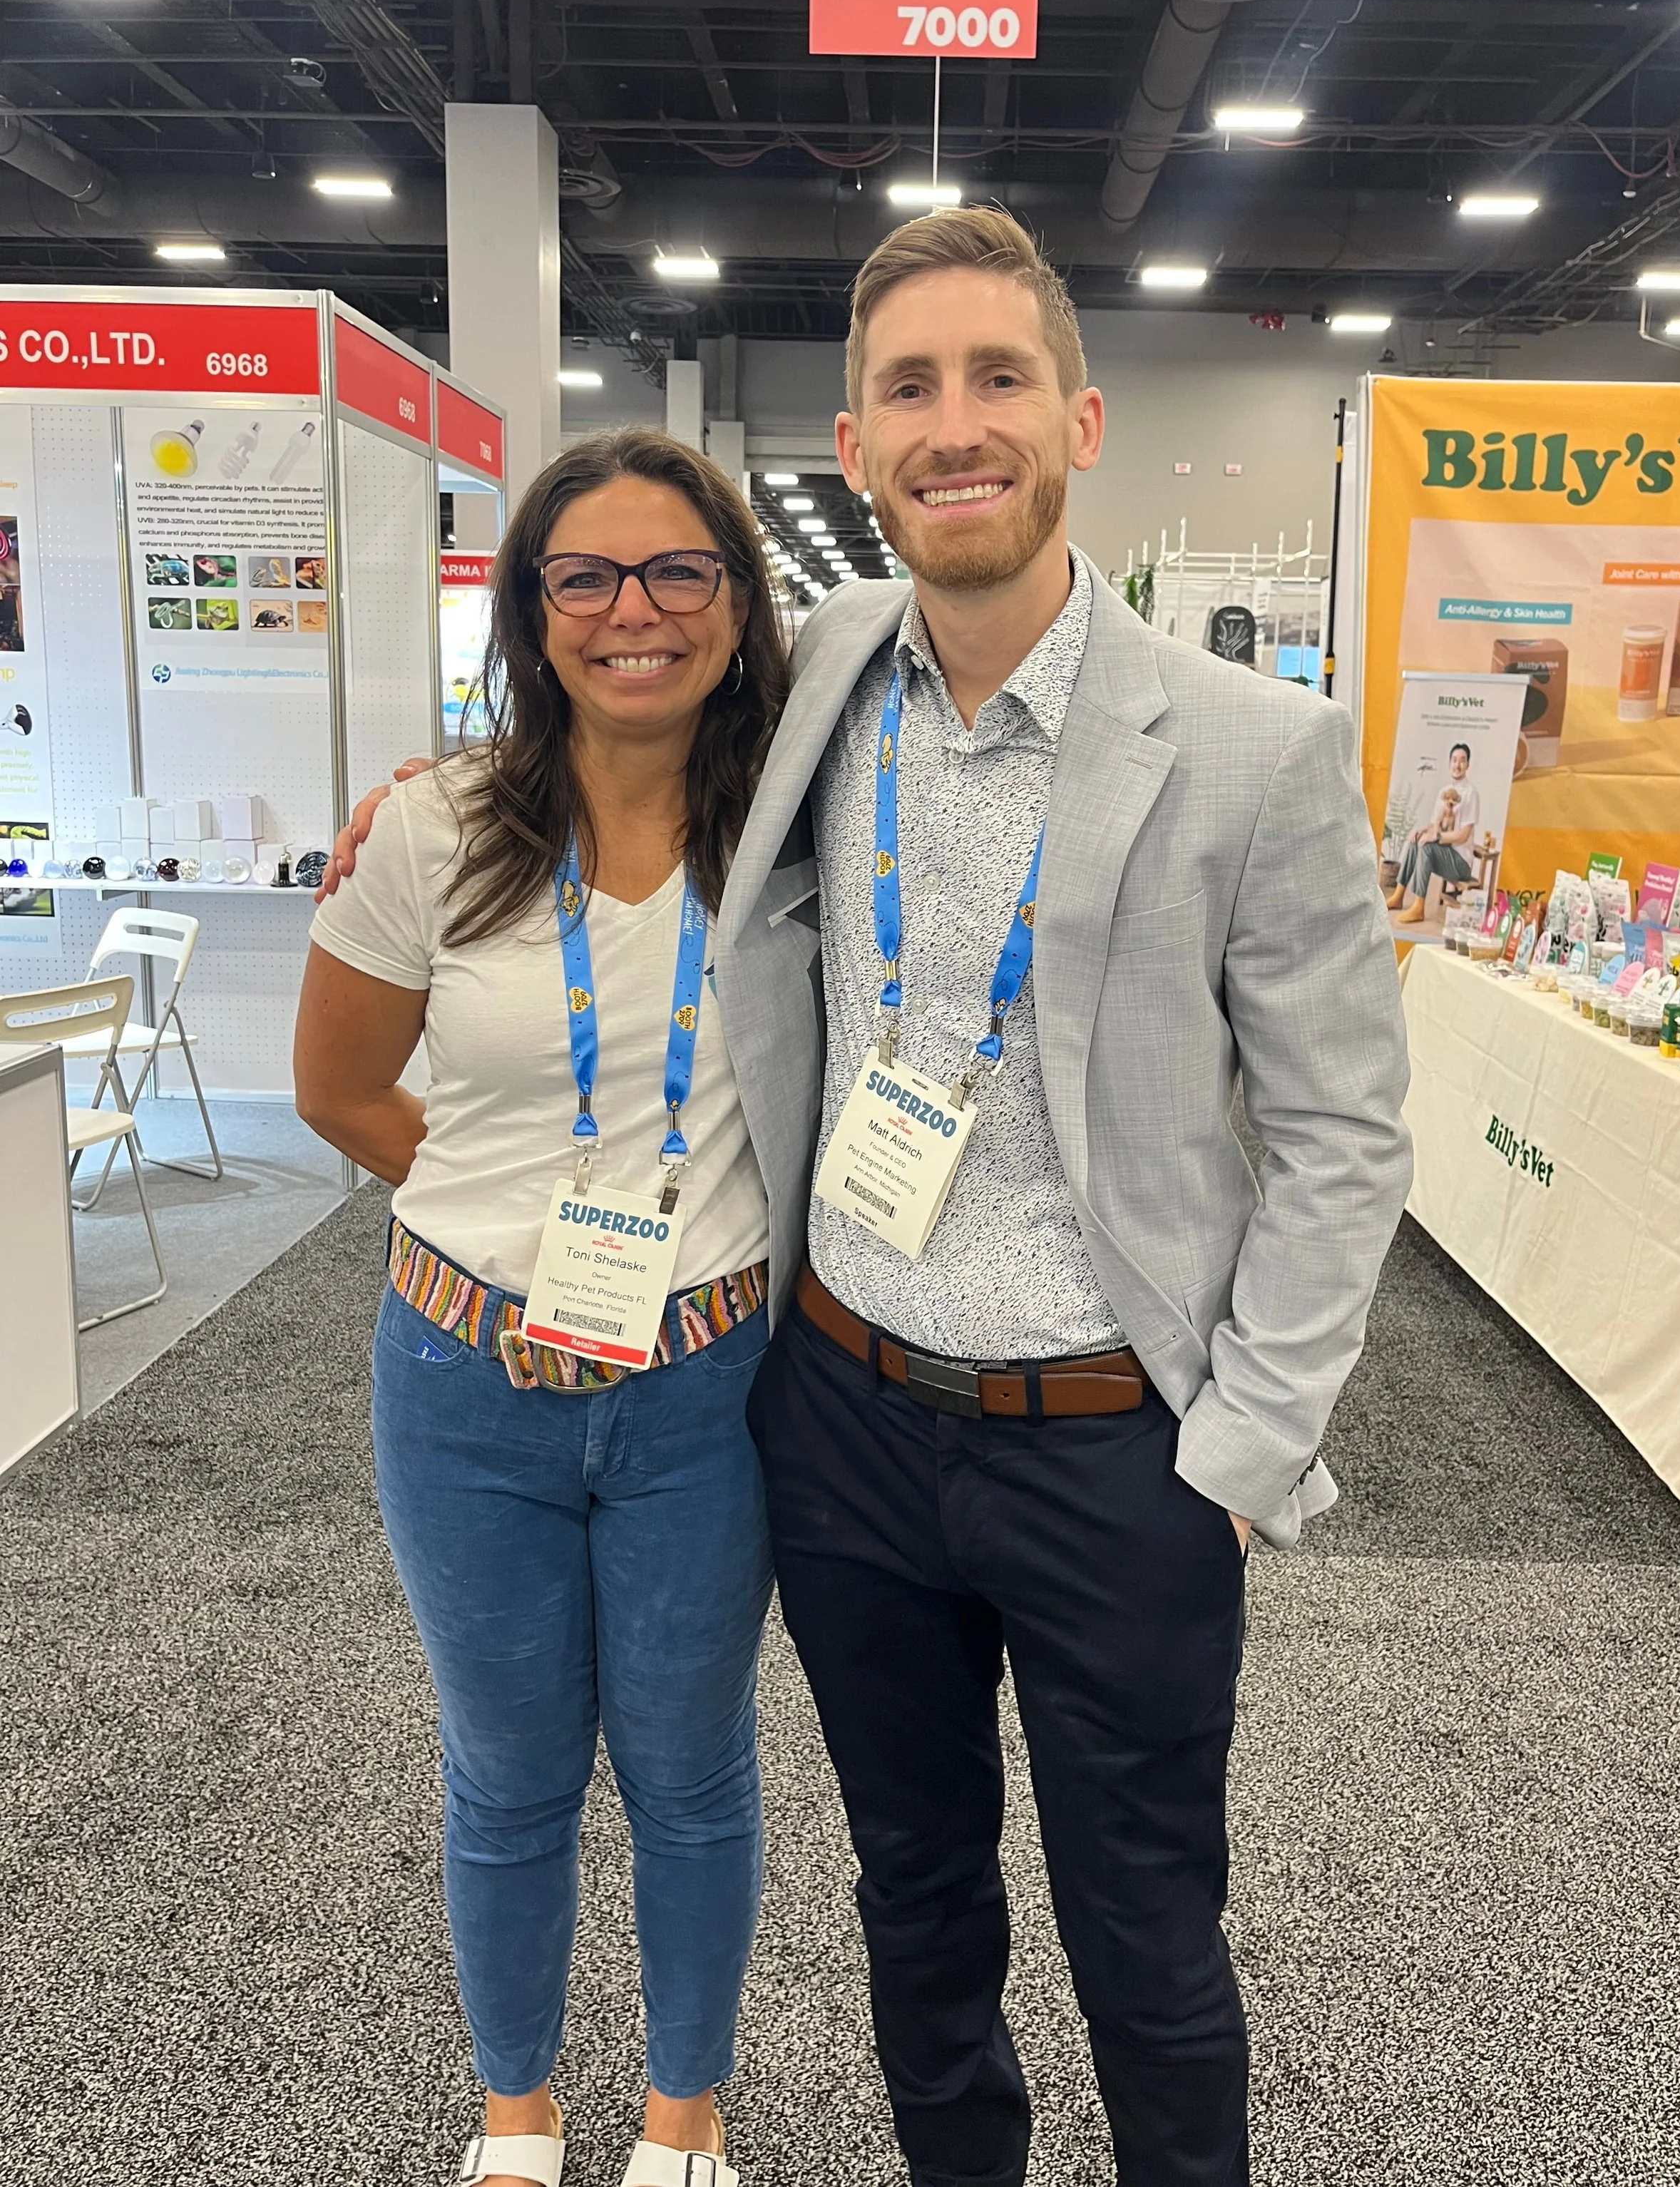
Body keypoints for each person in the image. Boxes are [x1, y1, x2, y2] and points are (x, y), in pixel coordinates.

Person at [332, 205, 1413, 2186]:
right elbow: (614, 697)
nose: (955, 422)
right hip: (834, 1421)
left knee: (1144, 1938)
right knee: (915, 1902)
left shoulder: (1255, 750)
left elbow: (1347, 1134)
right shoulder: (813, 680)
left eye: (996, 375)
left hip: (1117, 1442)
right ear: (856, 443)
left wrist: (1247, 1446)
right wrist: (441, 794)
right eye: (908, 386)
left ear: (1075, 414)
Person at [295, 429, 792, 2187]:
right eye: (583, 575)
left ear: (738, 601)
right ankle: (516, 2110)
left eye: (678, 571)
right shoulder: (434, 827)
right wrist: (499, 1217)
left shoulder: (803, 822)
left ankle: (683, 2116)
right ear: (529, 610)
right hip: (467, 1377)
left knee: (689, 1765)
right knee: (505, 1772)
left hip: (705, 1385)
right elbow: (341, 1090)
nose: (632, 611)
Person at [1386, 739, 1480, 925]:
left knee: (1428, 847)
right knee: (1417, 841)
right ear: (1449, 764)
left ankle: (1419, 906)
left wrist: (1436, 837)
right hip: (1445, 854)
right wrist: (1421, 832)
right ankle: (1399, 895)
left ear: (1468, 765)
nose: (1458, 764)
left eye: (1462, 760)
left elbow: (1463, 836)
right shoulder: (1444, 791)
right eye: (1454, 760)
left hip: (1460, 862)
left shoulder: (1471, 794)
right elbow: (1434, 824)